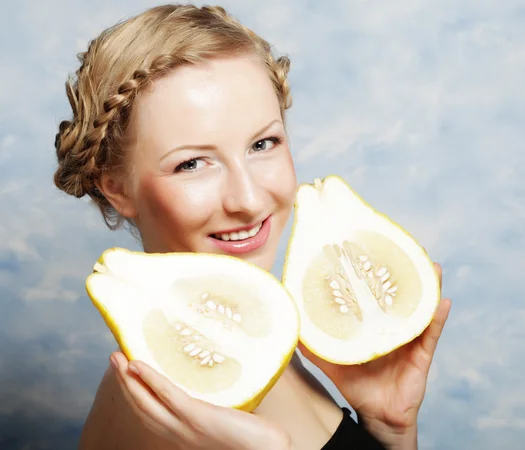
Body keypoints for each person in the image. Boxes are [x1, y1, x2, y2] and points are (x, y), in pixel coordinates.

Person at [53, 4, 452, 449]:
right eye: (191, 163)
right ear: (117, 190)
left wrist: (389, 430)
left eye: (264, 143)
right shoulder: (154, 415)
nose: (248, 199)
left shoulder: (257, 340)